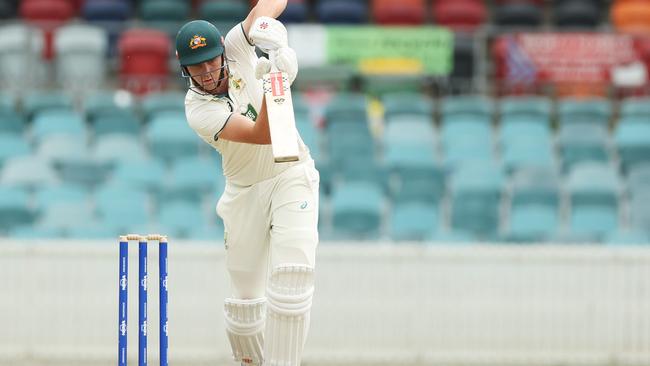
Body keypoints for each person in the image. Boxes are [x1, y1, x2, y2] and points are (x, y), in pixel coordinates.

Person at [174, 0, 319, 365]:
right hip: (244, 192)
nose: (206, 71)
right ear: (184, 70)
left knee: (291, 280)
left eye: (211, 59)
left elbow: (271, 3)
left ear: (223, 49)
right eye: (196, 66)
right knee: (244, 308)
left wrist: (262, 29)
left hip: (291, 173)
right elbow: (261, 134)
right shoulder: (198, 110)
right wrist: (277, 81)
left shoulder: (238, 49)